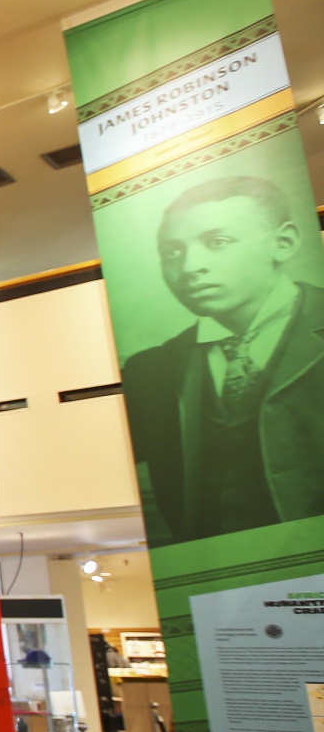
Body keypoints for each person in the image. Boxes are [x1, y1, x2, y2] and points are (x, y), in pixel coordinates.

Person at [120, 174, 324, 545]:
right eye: (172, 252)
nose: (190, 266)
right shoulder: (150, 371)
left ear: (284, 242)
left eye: (217, 242)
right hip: (216, 583)